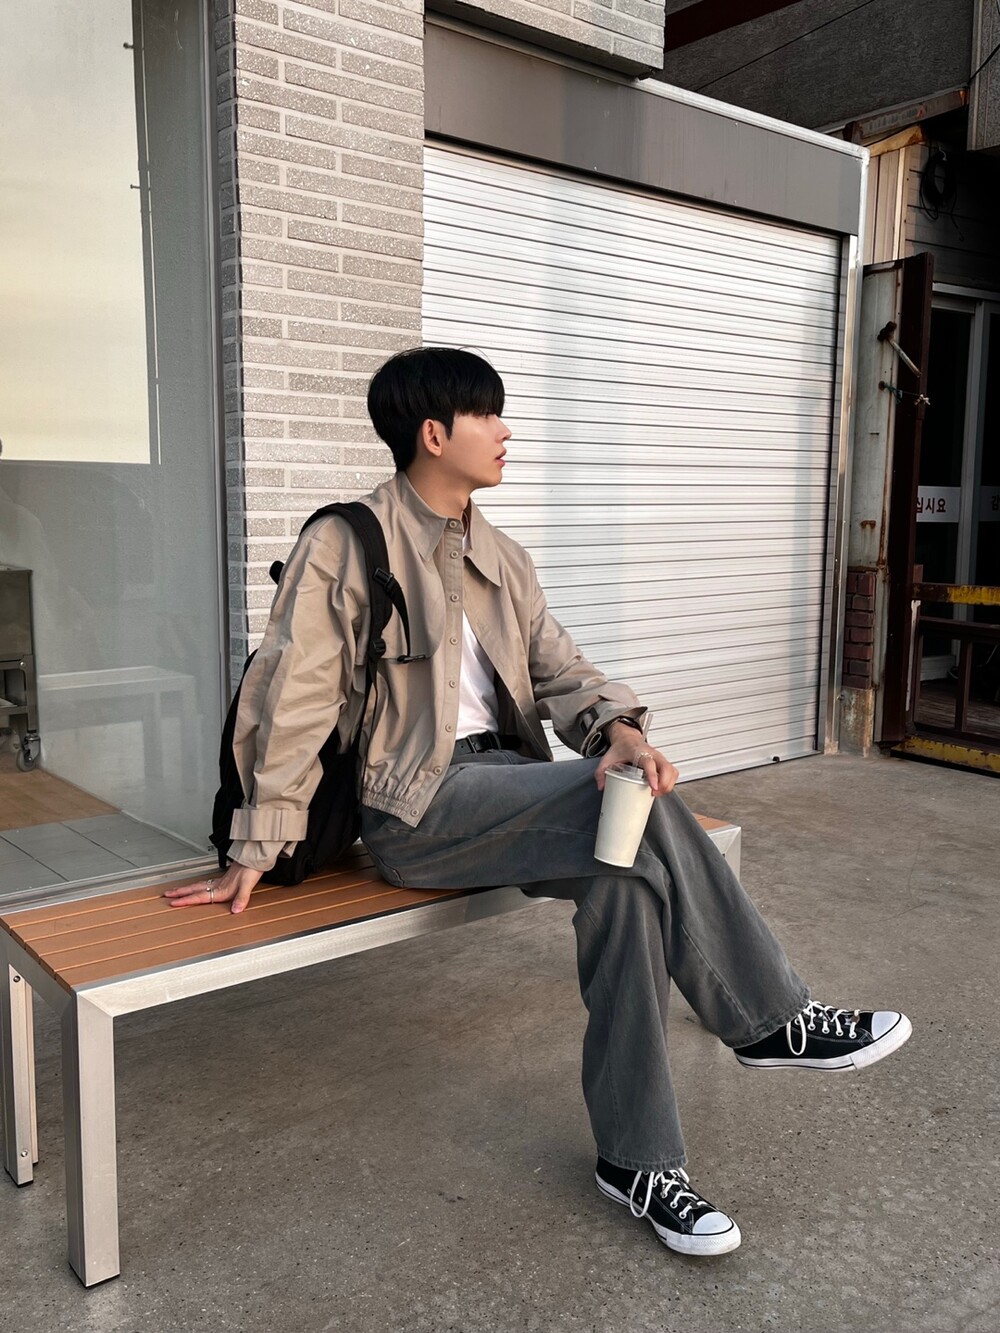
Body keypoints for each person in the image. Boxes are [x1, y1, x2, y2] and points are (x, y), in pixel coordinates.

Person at [167, 347, 911, 1258]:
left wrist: (619, 730)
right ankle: (769, 1017)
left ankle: (638, 1161)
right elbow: (295, 696)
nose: (506, 430)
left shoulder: (502, 559)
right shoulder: (348, 541)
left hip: (511, 790)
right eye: (488, 415)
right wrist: (257, 840)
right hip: (417, 808)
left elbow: (562, 670)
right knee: (628, 810)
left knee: (627, 880)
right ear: (432, 433)